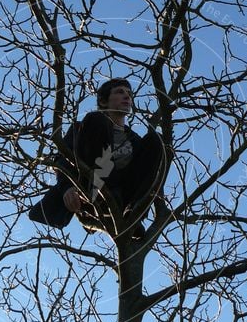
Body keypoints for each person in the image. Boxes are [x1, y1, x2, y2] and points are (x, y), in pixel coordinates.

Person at [29, 78, 166, 239]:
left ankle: (132, 216)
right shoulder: (83, 127)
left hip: (121, 199)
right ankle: (92, 199)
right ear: (103, 100)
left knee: (158, 141)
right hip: (89, 193)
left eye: (129, 94)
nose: (127, 97)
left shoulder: (136, 142)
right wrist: (67, 187)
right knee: (97, 119)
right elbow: (62, 159)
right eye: (120, 92)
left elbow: (145, 175)